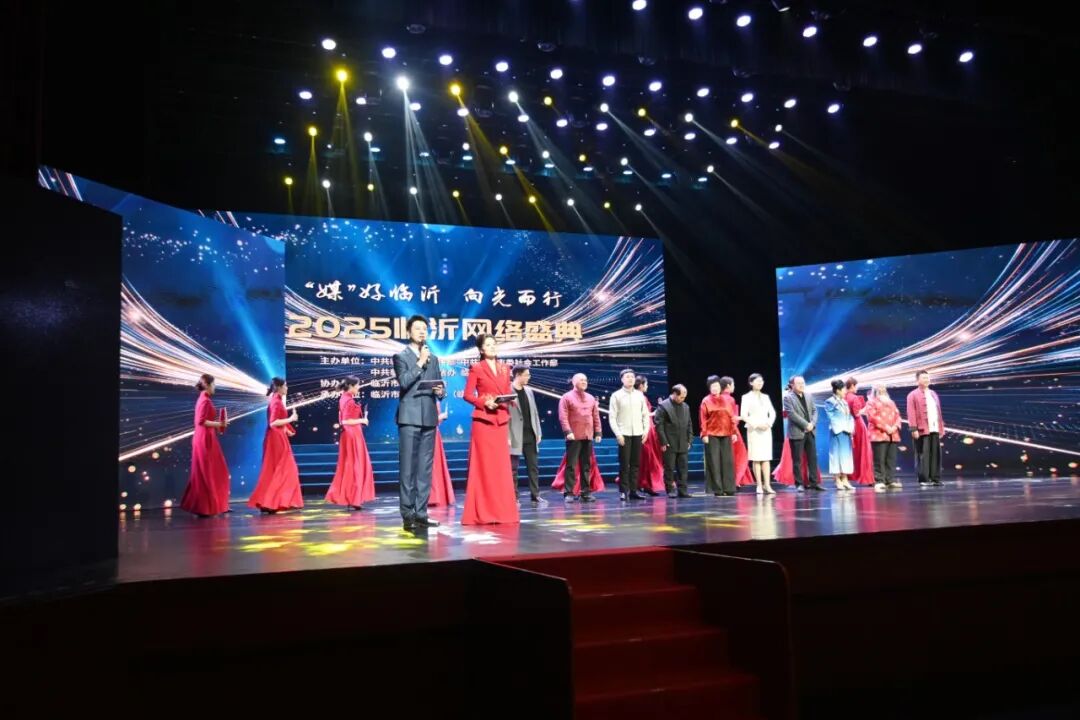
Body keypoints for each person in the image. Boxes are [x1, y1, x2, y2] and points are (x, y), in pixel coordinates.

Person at [392, 314, 446, 531]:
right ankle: (407, 515)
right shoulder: (400, 356)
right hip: (409, 418)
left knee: (425, 469)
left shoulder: (434, 358)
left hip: (429, 418)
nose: (422, 332)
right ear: (409, 332)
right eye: (417, 328)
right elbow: (404, 382)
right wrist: (420, 362)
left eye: (425, 328)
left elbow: (439, 384)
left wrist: (441, 391)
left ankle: (421, 513)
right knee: (407, 469)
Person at [460, 334, 519, 525]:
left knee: (501, 468)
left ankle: (502, 512)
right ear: (481, 349)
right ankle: (482, 512)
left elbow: (505, 391)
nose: (492, 347)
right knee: (484, 467)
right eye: (488, 344)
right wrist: (485, 402)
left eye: (494, 344)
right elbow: (467, 395)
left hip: (501, 420)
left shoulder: (505, 368)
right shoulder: (476, 368)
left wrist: (509, 399)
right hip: (484, 421)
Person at [248, 377, 304, 513]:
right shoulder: (276, 402)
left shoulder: (276, 400)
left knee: (274, 470)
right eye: (285, 385)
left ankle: (268, 502)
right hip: (276, 439)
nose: (287, 388)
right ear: (279, 387)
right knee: (286, 469)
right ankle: (273, 501)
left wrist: (286, 429)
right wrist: (290, 419)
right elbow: (273, 422)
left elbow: (277, 422)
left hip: (277, 437)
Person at [181, 373, 231, 516]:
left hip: (205, 437)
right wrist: (220, 424)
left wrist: (219, 424)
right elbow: (201, 421)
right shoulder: (205, 400)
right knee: (209, 472)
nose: (215, 387)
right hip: (205, 439)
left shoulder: (203, 399)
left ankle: (212, 505)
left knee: (208, 472)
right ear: (208, 385)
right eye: (214, 384)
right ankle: (207, 507)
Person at [325, 376, 375, 510]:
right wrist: (362, 420)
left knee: (351, 466)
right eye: (357, 385)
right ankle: (353, 498)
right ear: (351, 386)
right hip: (352, 434)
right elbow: (345, 421)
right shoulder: (348, 400)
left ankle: (352, 497)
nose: (358, 387)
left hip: (350, 434)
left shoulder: (344, 398)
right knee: (355, 466)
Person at [558, 373, 603, 503]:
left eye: (585, 380)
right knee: (571, 465)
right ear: (574, 382)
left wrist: (598, 432)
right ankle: (569, 492)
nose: (584, 382)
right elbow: (563, 416)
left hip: (588, 435)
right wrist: (567, 431)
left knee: (586, 466)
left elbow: (596, 416)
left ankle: (585, 492)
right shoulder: (566, 397)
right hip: (573, 436)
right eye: (581, 380)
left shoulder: (590, 398)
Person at [609, 368, 650, 501]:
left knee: (635, 464)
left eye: (632, 376)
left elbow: (645, 415)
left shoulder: (640, 395)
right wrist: (618, 434)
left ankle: (633, 490)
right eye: (627, 377)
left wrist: (646, 431)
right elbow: (612, 417)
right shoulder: (616, 395)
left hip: (638, 433)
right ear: (622, 379)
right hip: (624, 434)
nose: (630, 379)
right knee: (624, 464)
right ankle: (623, 491)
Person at [783, 376, 825, 492]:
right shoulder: (788, 397)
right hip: (797, 432)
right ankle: (799, 483)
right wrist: (806, 425)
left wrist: (812, 423)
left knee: (812, 458)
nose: (801, 385)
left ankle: (814, 482)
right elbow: (791, 414)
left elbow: (815, 411)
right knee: (797, 460)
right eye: (798, 383)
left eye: (803, 383)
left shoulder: (808, 395)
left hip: (810, 431)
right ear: (792, 385)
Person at [508, 365, 544, 504]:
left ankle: (535, 495)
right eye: (527, 375)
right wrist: (506, 436)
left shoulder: (529, 391)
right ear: (518, 375)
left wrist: (538, 431)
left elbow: (534, 412)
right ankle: (514, 497)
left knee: (533, 467)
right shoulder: (507, 390)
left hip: (530, 434)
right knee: (513, 468)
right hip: (514, 434)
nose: (529, 377)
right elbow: (505, 415)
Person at [700, 375, 740, 496]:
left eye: (717, 386)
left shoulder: (728, 400)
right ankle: (717, 489)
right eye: (713, 386)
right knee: (714, 462)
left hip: (726, 433)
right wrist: (704, 434)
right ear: (709, 388)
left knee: (727, 461)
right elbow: (703, 419)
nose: (715, 388)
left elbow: (732, 417)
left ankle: (729, 487)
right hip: (712, 434)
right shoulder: (706, 400)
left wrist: (734, 432)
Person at [906, 369, 945, 487]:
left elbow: (938, 412)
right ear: (917, 380)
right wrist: (913, 428)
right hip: (922, 430)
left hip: (934, 428)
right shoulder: (912, 394)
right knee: (923, 454)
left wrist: (941, 427)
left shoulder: (933, 393)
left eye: (927, 378)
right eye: (924, 378)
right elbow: (911, 412)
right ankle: (924, 479)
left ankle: (935, 478)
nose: (926, 380)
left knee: (935, 454)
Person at [655, 384, 694, 498]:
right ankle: (670, 490)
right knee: (669, 468)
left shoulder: (685, 406)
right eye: (681, 397)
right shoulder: (663, 406)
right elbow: (659, 425)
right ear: (675, 394)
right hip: (669, 442)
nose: (683, 399)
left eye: (684, 397)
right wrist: (663, 441)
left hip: (683, 442)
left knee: (683, 468)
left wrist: (689, 440)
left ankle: (683, 490)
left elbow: (689, 424)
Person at [741, 373, 777, 495]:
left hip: (766, 430)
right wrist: (757, 425)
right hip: (754, 430)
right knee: (756, 458)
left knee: (766, 458)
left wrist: (768, 424)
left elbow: (772, 413)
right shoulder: (746, 397)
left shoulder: (766, 397)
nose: (760, 383)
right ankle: (759, 485)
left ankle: (767, 485)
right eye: (757, 381)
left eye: (761, 381)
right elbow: (744, 415)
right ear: (751, 383)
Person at [866, 383, 902, 490]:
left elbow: (898, 416)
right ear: (875, 390)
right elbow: (872, 417)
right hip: (878, 434)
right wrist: (886, 427)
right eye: (879, 388)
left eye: (883, 387)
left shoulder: (891, 402)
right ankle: (879, 480)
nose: (881, 389)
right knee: (879, 459)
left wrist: (894, 427)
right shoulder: (871, 402)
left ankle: (889, 480)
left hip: (892, 435)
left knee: (891, 459)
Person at [635, 376, 666, 496]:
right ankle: (641, 484)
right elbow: (643, 415)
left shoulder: (642, 397)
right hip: (645, 430)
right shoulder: (639, 397)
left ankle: (647, 484)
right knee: (646, 459)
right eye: (646, 384)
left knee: (647, 459)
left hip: (649, 429)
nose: (647, 386)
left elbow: (646, 414)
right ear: (641, 385)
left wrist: (655, 412)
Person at [824, 379, 856, 491]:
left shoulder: (844, 402)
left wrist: (850, 428)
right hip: (837, 432)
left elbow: (849, 416)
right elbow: (831, 417)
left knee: (846, 456)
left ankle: (845, 479)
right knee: (836, 455)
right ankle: (837, 479)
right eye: (843, 390)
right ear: (838, 390)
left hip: (846, 432)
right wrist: (841, 428)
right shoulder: (830, 401)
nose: (845, 392)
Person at [844, 377, 876, 486]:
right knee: (863, 451)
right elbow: (857, 413)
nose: (857, 388)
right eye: (856, 386)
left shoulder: (844, 397)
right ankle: (866, 477)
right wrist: (867, 407)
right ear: (852, 386)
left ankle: (851, 475)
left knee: (852, 451)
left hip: (848, 425)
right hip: (858, 425)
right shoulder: (854, 398)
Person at [428, 401, 456, 507]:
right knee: (430, 464)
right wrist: (438, 418)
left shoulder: (436, 402)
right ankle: (431, 497)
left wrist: (440, 418)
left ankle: (439, 496)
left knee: (436, 464)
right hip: (427, 435)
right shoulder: (423, 400)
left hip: (435, 434)